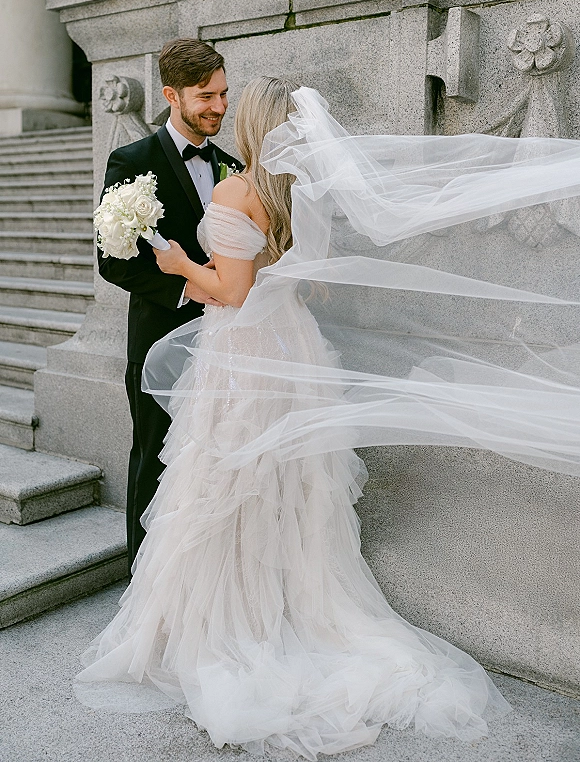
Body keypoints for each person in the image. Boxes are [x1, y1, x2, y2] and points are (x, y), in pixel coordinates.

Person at [77, 78, 580, 758]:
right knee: (290, 489)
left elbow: (229, 290)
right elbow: (310, 281)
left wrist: (174, 261)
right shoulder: (300, 196)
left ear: (252, 125)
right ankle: (286, 607)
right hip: (295, 347)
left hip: (245, 355)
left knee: (230, 488)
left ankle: (235, 622)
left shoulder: (236, 190)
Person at [97, 38, 242, 569]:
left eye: (224, 93)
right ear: (171, 95)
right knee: (153, 456)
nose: (220, 107)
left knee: (213, 460)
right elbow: (113, 260)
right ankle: (143, 580)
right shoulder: (133, 160)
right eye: (206, 96)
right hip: (161, 338)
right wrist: (186, 286)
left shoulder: (232, 165)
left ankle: (201, 575)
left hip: (228, 340)